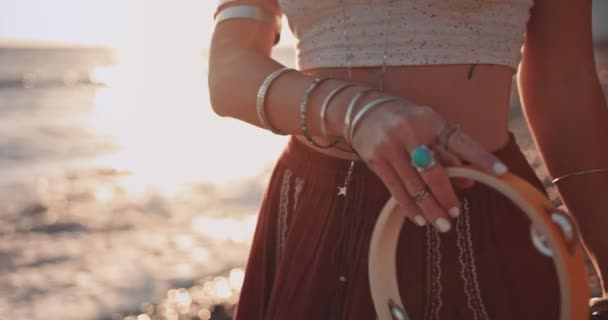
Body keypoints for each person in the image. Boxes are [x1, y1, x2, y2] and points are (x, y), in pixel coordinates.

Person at [208, 0, 608, 319]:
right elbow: (228, 73)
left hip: (484, 209)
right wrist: (356, 112)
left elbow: (565, 81)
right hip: (320, 213)